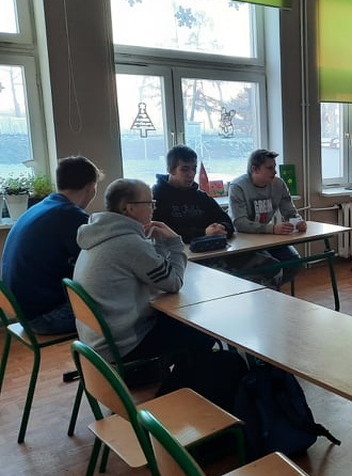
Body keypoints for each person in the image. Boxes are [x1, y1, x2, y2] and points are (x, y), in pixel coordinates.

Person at [73, 178, 245, 409]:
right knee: (203, 332)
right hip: (123, 343)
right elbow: (173, 282)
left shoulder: (99, 234)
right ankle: (179, 395)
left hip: (98, 338)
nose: (154, 207)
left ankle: (188, 383)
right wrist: (174, 242)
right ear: (130, 208)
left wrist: (161, 246)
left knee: (187, 328)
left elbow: (157, 275)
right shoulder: (128, 243)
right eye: (149, 203)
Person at [2, 156, 103, 334]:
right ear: (90, 188)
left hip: (20, 311)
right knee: (118, 307)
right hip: (43, 318)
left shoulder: (41, 207)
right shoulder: (71, 216)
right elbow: (99, 264)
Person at [227, 149, 307, 289]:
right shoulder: (237, 187)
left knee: (294, 262)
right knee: (271, 267)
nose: (274, 172)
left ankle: (270, 290)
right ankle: (265, 292)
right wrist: (272, 228)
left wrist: (298, 221)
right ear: (255, 169)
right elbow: (239, 223)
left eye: (274, 167)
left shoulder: (278, 184)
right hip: (242, 241)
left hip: (266, 237)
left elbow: (290, 211)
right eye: (269, 168)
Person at [152, 144, 233, 243]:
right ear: (171, 170)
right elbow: (162, 231)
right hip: (176, 250)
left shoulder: (201, 197)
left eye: (194, 169)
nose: (191, 174)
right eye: (184, 169)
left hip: (212, 247)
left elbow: (226, 221)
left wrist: (221, 228)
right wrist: (203, 233)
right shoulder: (156, 198)